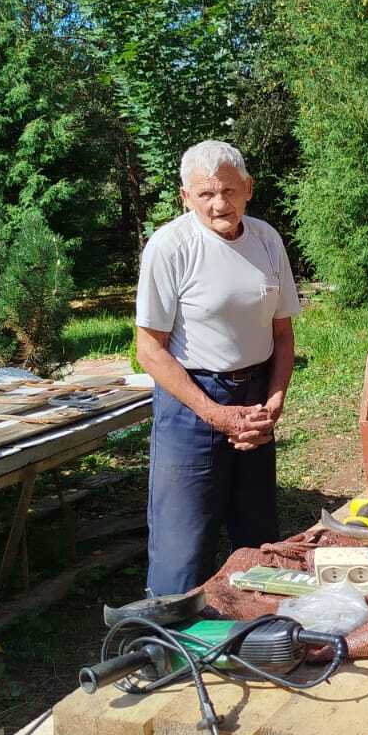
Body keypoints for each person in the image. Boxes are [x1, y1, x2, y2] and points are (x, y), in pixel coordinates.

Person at [134, 139, 299, 597]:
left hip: (255, 398)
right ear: (185, 197)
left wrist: (274, 401)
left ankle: (257, 627)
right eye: (205, 194)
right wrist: (214, 413)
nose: (219, 204)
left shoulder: (266, 240)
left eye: (228, 191)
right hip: (192, 404)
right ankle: (169, 632)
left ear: (248, 188)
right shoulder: (170, 247)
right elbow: (149, 350)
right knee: (183, 547)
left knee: (259, 539)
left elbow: (283, 335)